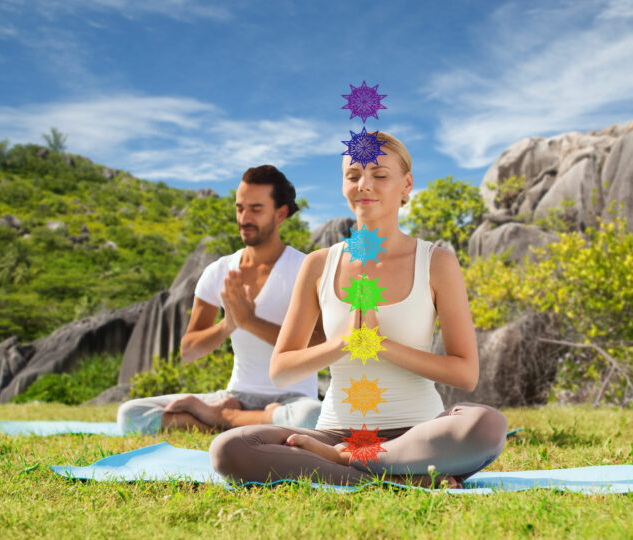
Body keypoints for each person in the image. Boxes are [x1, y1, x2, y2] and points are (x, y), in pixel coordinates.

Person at [209, 133, 507, 487]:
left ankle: (355, 466)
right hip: (337, 433)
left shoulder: (436, 262)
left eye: (379, 175)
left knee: (486, 425)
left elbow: (465, 374)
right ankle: (402, 477)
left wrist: (381, 345)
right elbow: (282, 370)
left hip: (418, 436)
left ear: (406, 185)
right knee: (230, 449)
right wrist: (345, 344)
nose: (364, 184)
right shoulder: (319, 265)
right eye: (353, 176)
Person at [117, 165, 325, 434]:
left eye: (256, 209)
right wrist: (228, 325)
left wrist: (251, 322)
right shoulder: (219, 271)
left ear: (281, 213)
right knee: (131, 415)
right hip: (237, 396)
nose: (244, 217)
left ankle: (220, 419)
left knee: (312, 418)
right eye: (240, 208)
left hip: (292, 400)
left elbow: (321, 344)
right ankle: (240, 419)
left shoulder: (305, 268)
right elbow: (190, 351)